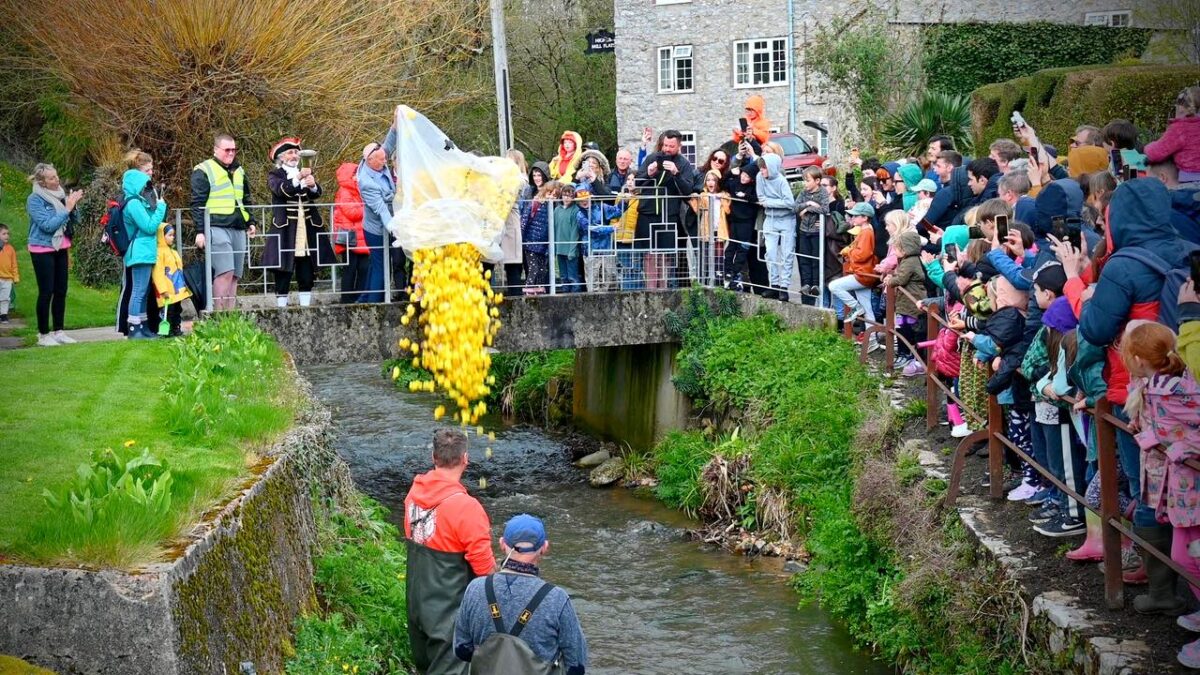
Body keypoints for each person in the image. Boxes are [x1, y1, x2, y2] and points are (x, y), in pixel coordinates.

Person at [405, 429, 495, 675]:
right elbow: (485, 570)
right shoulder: (467, 508)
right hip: (448, 615)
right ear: (465, 458)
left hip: (416, 605)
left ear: (434, 457)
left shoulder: (413, 495)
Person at [453, 514, 587, 675]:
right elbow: (576, 666)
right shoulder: (557, 599)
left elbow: (461, 650)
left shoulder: (475, 589)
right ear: (544, 547)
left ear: (502, 544)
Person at [263, 137, 332, 308]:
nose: (294, 156)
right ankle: (281, 307)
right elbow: (281, 190)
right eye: (290, 153)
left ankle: (306, 306)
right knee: (283, 268)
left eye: (296, 152)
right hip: (285, 228)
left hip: (307, 226)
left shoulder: (306, 172)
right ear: (281, 157)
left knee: (306, 267)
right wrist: (299, 177)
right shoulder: (275, 175)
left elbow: (316, 194)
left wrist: (313, 185)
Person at [191, 133, 256, 310]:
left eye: (234, 150)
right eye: (227, 150)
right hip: (216, 225)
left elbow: (246, 198)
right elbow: (197, 203)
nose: (231, 153)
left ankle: (230, 316)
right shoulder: (204, 170)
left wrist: (251, 221)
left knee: (235, 274)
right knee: (224, 271)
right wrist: (200, 231)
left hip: (238, 225)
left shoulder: (239, 170)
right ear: (216, 149)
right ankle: (218, 315)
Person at [26, 163, 82, 347]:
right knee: (46, 291)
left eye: (56, 176)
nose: (56, 180)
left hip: (61, 247)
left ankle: (59, 331)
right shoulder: (34, 199)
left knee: (61, 291)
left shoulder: (60, 196)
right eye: (51, 178)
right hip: (42, 248)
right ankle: (43, 334)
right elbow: (48, 225)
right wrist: (67, 208)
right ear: (42, 182)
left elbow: (75, 221)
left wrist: (73, 208)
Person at [634, 131, 696, 288]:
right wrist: (649, 174)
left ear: (679, 146)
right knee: (649, 254)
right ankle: (650, 288)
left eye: (671, 146)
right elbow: (637, 183)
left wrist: (676, 173)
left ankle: (663, 288)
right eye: (665, 145)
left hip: (669, 214)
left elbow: (687, 190)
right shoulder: (652, 158)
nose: (667, 149)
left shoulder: (684, 163)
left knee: (665, 254)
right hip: (648, 213)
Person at [116, 150, 164, 336]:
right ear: (138, 174)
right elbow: (149, 226)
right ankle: (134, 328)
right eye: (147, 170)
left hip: (144, 250)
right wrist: (161, 207)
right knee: (138, 291)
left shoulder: (138, 199)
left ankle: (143, 327)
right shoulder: (134, 202)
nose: (151, 173)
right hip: (139, 251)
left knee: (143, 291)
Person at [357, 123, 400, 303]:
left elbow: (388, 145)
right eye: (381, 160)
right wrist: (396, 229)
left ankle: (364, 298)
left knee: (377, 265)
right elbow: (381, 209)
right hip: (376, 229)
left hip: (387, 221)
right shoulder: (366, 182)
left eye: (385, 158)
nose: (385, 162)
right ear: (370, 161)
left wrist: (395, 125)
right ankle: (375, 303)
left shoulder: (379, 157)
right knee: (380, 266)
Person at [829, 202, 879, 329]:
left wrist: (849, 251)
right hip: (863, 273)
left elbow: (863, 255)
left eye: (856, 216)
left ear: (865, 217)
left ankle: (856, 307)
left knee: (833, 286)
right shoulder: (865, 230)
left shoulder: (867, 232)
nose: (853, 218)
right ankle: (872, 341)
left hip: (862, 274)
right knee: (868, 310)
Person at [1145, 86, 1200, 186]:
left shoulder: (1180, 128)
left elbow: (1155, 152)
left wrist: (1147, 147)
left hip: (1189, 182)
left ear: (1180, 108)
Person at [332, 162, 370, 303]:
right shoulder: (345, 191)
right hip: (350, 237)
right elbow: (351, 212)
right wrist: (368, 207)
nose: (357, 176)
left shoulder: (357, 190)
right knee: (350, 268)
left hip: (359, 237)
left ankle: (360, 297)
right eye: (354, 173)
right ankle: (347, 298)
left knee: (363, 268)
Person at [575, 188, 622, 292]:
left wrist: (625, 201)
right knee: (592, 280)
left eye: (586, 198)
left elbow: (618, 211)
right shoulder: (579, 215)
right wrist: (612, 228)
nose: (584, 201)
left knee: (609, 277)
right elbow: (592, 229)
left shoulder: (602, 207)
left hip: (606, 249)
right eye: (581, 199)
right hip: (590, 251)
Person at [723, 162, 759, 292]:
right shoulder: (734, 183)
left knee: (742, 250)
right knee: (731, 248)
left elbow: (758, 199)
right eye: (743, 174)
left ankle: (734, 272)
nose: (744, 178)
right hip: (735, 221)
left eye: (747, 176)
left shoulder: (754, 187)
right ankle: (727, 271)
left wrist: (746, 197)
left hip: (747, 223)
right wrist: (731, 172)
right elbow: (722, 182)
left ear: (752, 178)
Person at [152, 223, 190, 337]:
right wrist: (163, 290)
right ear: (161, 236)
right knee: (167, 311)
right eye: (169, 235)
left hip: (176, 289)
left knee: (177, 310)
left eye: (173, 235)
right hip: (166, 290)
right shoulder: (159, 253)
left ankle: (176, 328)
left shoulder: (172, 252)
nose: (172, 237)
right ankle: (166, 330)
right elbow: (157, 273)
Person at [499, 149, 527, 294]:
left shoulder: (521, 179)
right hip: (500, 224)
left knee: (513, 264)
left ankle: (515, 298)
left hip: (511, 224)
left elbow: (509, 192)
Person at [521, 180, 557, 294]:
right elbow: (524, 221)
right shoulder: (535, 203)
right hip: (530, 242)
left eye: (555, 195)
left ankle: (539, 290)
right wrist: (521, 239)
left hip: (543, 244)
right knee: (533, 268)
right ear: (545, 192)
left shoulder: (553, 208)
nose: (551, 197)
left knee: (542, 270)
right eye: (549, 193)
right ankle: (528, 290)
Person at [552, 184, 582, 293]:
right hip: (560, 249)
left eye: (570, 195)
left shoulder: (576, 210)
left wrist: (572, 250)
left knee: (573, 277)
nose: (567, 198)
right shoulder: (557, 210)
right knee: (563, 277)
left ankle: (576, 299)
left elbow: (575, 232)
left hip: (571, 250)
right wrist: (554, 248)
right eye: (565, 195)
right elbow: (554, 229)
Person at [0, 223, 18, 323]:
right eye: (4, 234)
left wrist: (15, 276)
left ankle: (4, 315)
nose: (7, 235)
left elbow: (14, 264)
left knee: (5, 298)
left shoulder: (10, 249)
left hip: (7, 278)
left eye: (8, 234)